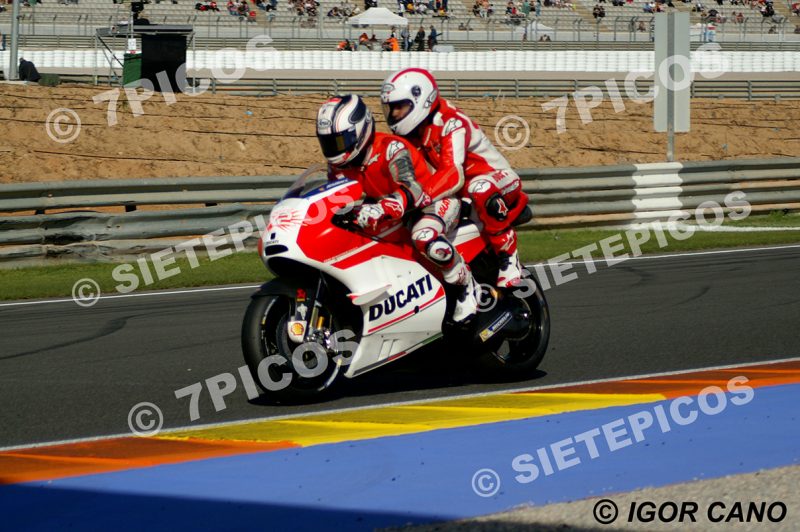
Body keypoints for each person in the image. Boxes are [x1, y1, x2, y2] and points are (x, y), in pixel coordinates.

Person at [316, 95, 479, 322]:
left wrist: (384, 207)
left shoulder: (391, 148)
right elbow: (339, 198)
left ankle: (465, 286)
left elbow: (410, 187)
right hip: (394, 216)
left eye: (340, 142)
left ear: (360, 131)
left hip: (431, 202)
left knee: (423, 236)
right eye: (329, 143)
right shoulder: (338, 168)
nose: (334, 149)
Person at [380, 68, 529, 288]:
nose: (393, 115)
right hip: (462, 196)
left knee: (480, 187)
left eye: (399, 108)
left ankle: (508, 256)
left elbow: (452, 174)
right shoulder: (415, 134)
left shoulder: (451, 122)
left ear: (420, 99)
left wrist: (414, 198)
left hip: (498, 181)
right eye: (390, 109)